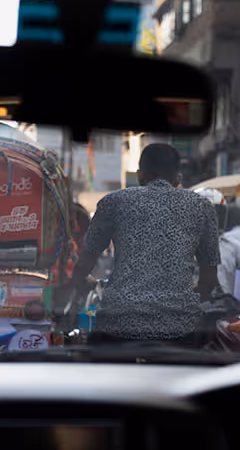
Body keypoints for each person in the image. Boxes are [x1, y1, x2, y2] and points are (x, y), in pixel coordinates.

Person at [67, 143, 220, 345]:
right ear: (177, 178)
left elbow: (85, 262)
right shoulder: (202, 207)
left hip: (117, 325)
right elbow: (209, 280)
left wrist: (76, 287)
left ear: (139, 175)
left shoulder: (113, 202)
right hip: (180, 329)